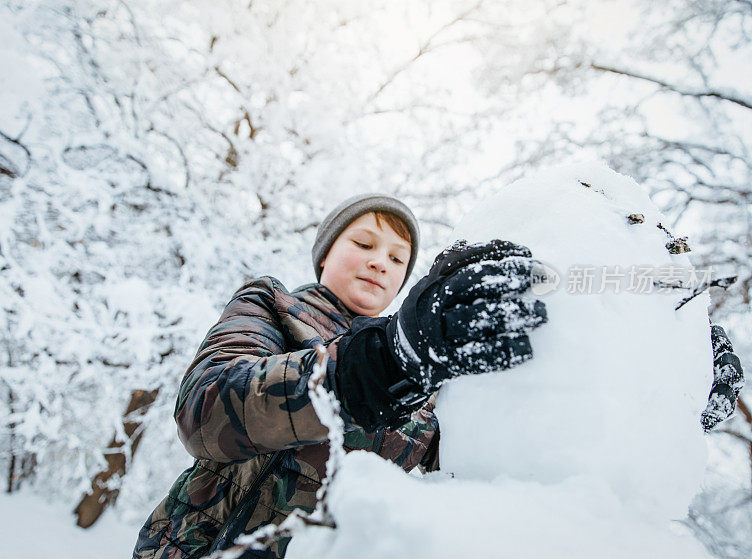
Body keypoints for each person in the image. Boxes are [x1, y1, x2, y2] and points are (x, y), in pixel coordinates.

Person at [132, 194, 743, 559]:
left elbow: (523, 454)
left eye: (397, 258)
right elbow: (206, 413)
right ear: (324, 254)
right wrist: (378, 363)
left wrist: (667, 394)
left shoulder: (431, 369)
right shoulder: (272, 307)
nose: (380, 260)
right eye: (363, 243)